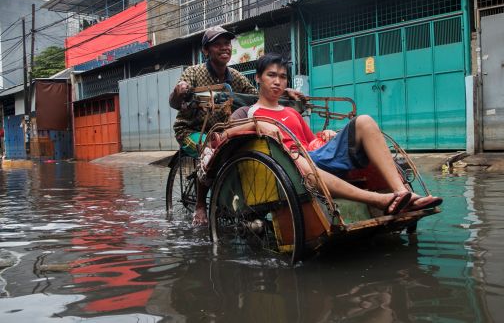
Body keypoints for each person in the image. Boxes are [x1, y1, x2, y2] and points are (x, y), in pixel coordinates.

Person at [225, 53, 442, 214]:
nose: (277, 81)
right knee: (300, 161)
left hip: (312, 157)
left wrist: (326, 135)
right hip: (289, 166)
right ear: (258, 78)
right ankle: (378, 200)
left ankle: (402, 192)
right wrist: (256, 125)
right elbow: (226, 135)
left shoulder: (292, 111)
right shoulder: (250, 112)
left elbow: (310, 142)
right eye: (271, 75)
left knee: (364, 121)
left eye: (282, 77)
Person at [169, 26, 301, 226]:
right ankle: (200, 205)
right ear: (206, 51)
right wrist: (179, 91)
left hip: (223, 130)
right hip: (192, 130)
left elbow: (257, 97)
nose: (224, 48)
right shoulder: (193, 73)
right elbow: (174, 101)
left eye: (227, 44)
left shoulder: (235, 77)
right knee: (209, 148)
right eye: (218, 44)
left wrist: (284, 91)